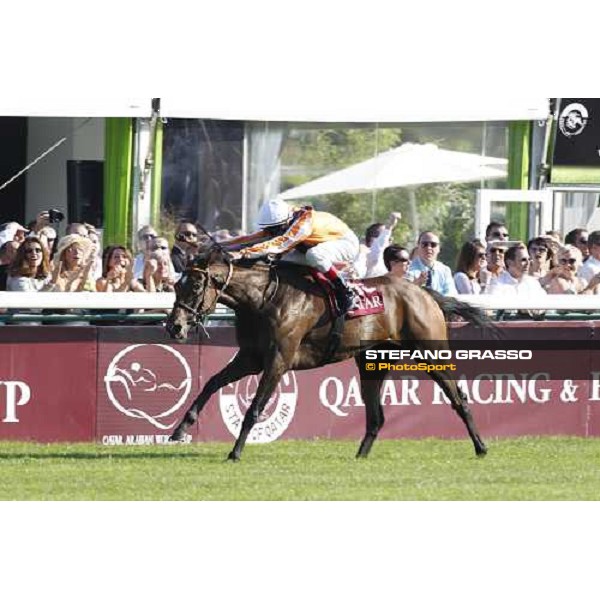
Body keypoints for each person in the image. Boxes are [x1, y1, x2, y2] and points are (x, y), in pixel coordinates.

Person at [223, 198, 360, 316]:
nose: (272, 232)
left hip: (346, 244)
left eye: (275, 229)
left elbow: (279, 244)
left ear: (286, 221)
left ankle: (345, 290)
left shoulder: (303, 225)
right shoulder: (285, 220)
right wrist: (223, 244)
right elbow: (253, 237)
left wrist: (242, 253)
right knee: (278, 260)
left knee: (314, 255)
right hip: (318, 246)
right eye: (271, 229)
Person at [407, 231, 457, 296]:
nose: (428, 248)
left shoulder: (445, 270)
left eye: (433, 245)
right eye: (424, 244)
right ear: (418, 247)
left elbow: (451, 295)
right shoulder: (407, 269)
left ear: (439, 249)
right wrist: (415, 285)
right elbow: (404, 296)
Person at [354, 212, 402, 278]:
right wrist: (389, 227)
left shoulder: (391, 259)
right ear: (371, 239)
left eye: (390, 236)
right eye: (381, 235)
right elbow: (377, 250)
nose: (390, 238)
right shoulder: (363, 255)